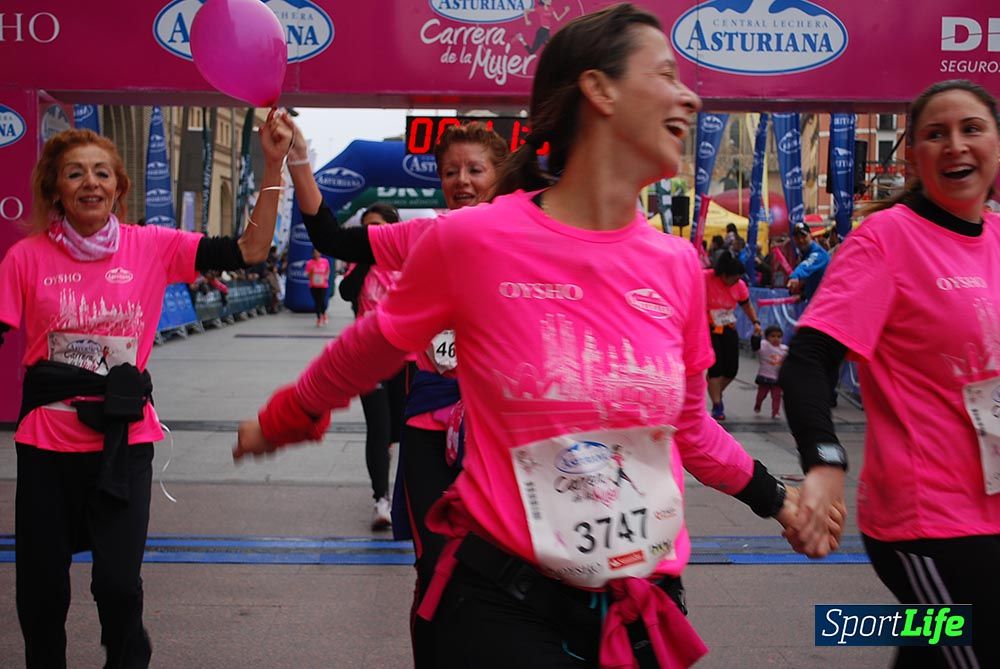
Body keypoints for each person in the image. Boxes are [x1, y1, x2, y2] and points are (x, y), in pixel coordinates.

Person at [236, 6, 844, 667]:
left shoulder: (674, 264)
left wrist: (778, 498)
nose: (688, 94)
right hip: (501, 607)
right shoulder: (472, 240)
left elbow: (690, 427)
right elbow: (373, 344)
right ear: (599, 90)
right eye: (665, 74)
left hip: (640, 610)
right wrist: (286, 415)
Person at [0, 116, 288, 668]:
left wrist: (272, 163)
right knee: (41, 593)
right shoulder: (26, 257)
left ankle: (128, 656)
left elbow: (251, 249)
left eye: (101, 173)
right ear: (54, 188)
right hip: (46, 446)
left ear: (119, 187)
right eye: (74, 173)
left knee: (115, 585)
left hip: (123, 443)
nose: (90, 183)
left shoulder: (153, 246)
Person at [781, 79, 1000, 668]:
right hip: (929, 522)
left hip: (993, 504)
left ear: (997, 147)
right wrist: (824, 462)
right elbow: (809, 358)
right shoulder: (887, 240)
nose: (955, 145)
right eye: (936, 134)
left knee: (936, 647)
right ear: (913, 156)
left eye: (972, 129)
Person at [281, 116, 510, 667]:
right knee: (433, 568)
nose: (462, 181)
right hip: (430, 424)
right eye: (450, 171)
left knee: (501, 568)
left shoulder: (525, 237)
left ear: (499, 176)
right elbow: (333, 238)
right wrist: (297, 161)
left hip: (500, 433)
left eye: (475, 169)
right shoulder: (421, 234)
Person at [337, 203, 408, 530]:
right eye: (366, 228)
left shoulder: (411, 259)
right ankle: (382, 499)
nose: (371, 233)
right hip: (370, 360)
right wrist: (367, 256)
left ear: (394, 227)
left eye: (378, 226)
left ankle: (407, 492)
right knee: (378, 431)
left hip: (409, 360)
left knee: (401, 432)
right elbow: (346, 291)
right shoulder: (360, 262)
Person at [705, 250, 762, 421]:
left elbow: (746, 305)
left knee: (731, 368)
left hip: (729, 327)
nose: (737, 281)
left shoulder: (740, 286)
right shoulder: (705, 278)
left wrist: (756, 322)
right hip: (709, 327)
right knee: (716, 367)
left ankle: (716, 392)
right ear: (723, 275)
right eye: (734, 278)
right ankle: (717, 404)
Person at [786, 221, 830, 302]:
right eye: (797, 237)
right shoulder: (804, 254)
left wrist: (795, 276)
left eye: (803, 236)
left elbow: (806, 266)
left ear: (810, 235)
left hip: (827, 304)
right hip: (817, 303)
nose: (801, 240)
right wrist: (803, 295)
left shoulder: (818, 253)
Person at [753, 325, 787, 419]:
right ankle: (758, 404)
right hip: (765, 377)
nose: (776, 339)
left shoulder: (784, 349)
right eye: (772, 336)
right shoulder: (764, 346)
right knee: (761, 395)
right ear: (767, 337)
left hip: (777, 379)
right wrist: (756, 336)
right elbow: (756, 346)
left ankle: (775, 412)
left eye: (779, 336)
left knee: (776, 396)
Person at [305, 248, 331, 326]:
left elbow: (328, 270)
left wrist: (326, 276)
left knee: (322, 301)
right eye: (315, 252)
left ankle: (324, 314)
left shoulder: (325, 261)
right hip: (313, 285)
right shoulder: (309, 263)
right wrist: (311, 273)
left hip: (323, 285)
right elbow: (308, 275)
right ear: (312, 254)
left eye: (318, 252)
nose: (316, 254)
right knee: (317, 302)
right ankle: (319, 318)